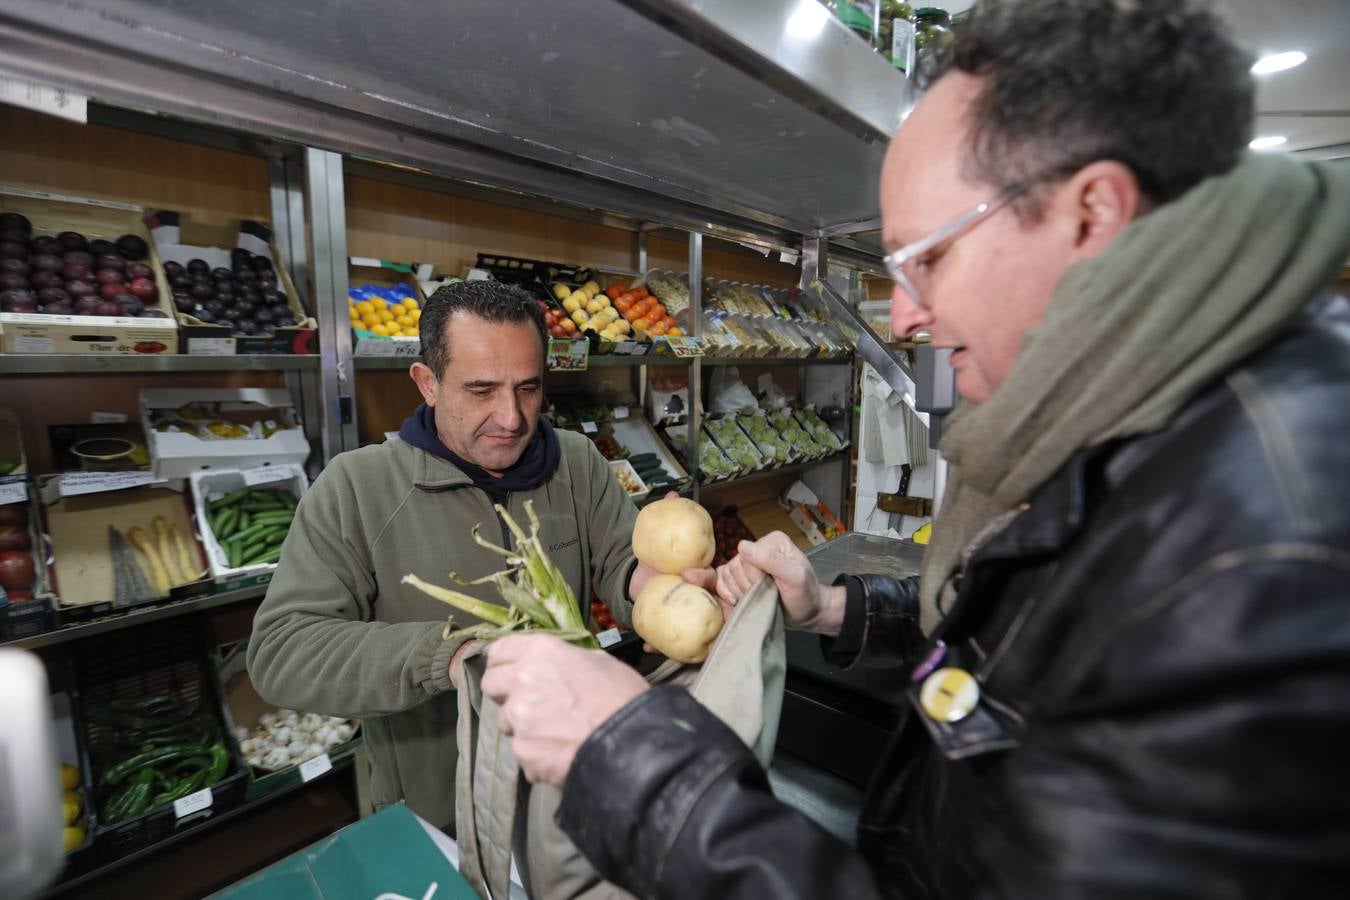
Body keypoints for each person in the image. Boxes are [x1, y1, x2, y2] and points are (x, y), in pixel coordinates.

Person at [479, 0, 1350, 896]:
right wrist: (832, 608)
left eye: (926, 258)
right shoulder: (1149, 414)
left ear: (1091, 214)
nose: (902, 315)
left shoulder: (1268, 546)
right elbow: (1022, 626)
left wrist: (632, 762)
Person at [248, 280, 655, 829]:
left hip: (570, 784)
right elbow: (282, 650)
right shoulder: (357, 488)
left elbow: (620, 562)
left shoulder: (576, 460)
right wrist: (449, 657)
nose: (511, 418)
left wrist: (651, 585)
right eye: (481, 390)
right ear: (428, 383)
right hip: (438, 812)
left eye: (528, 389)